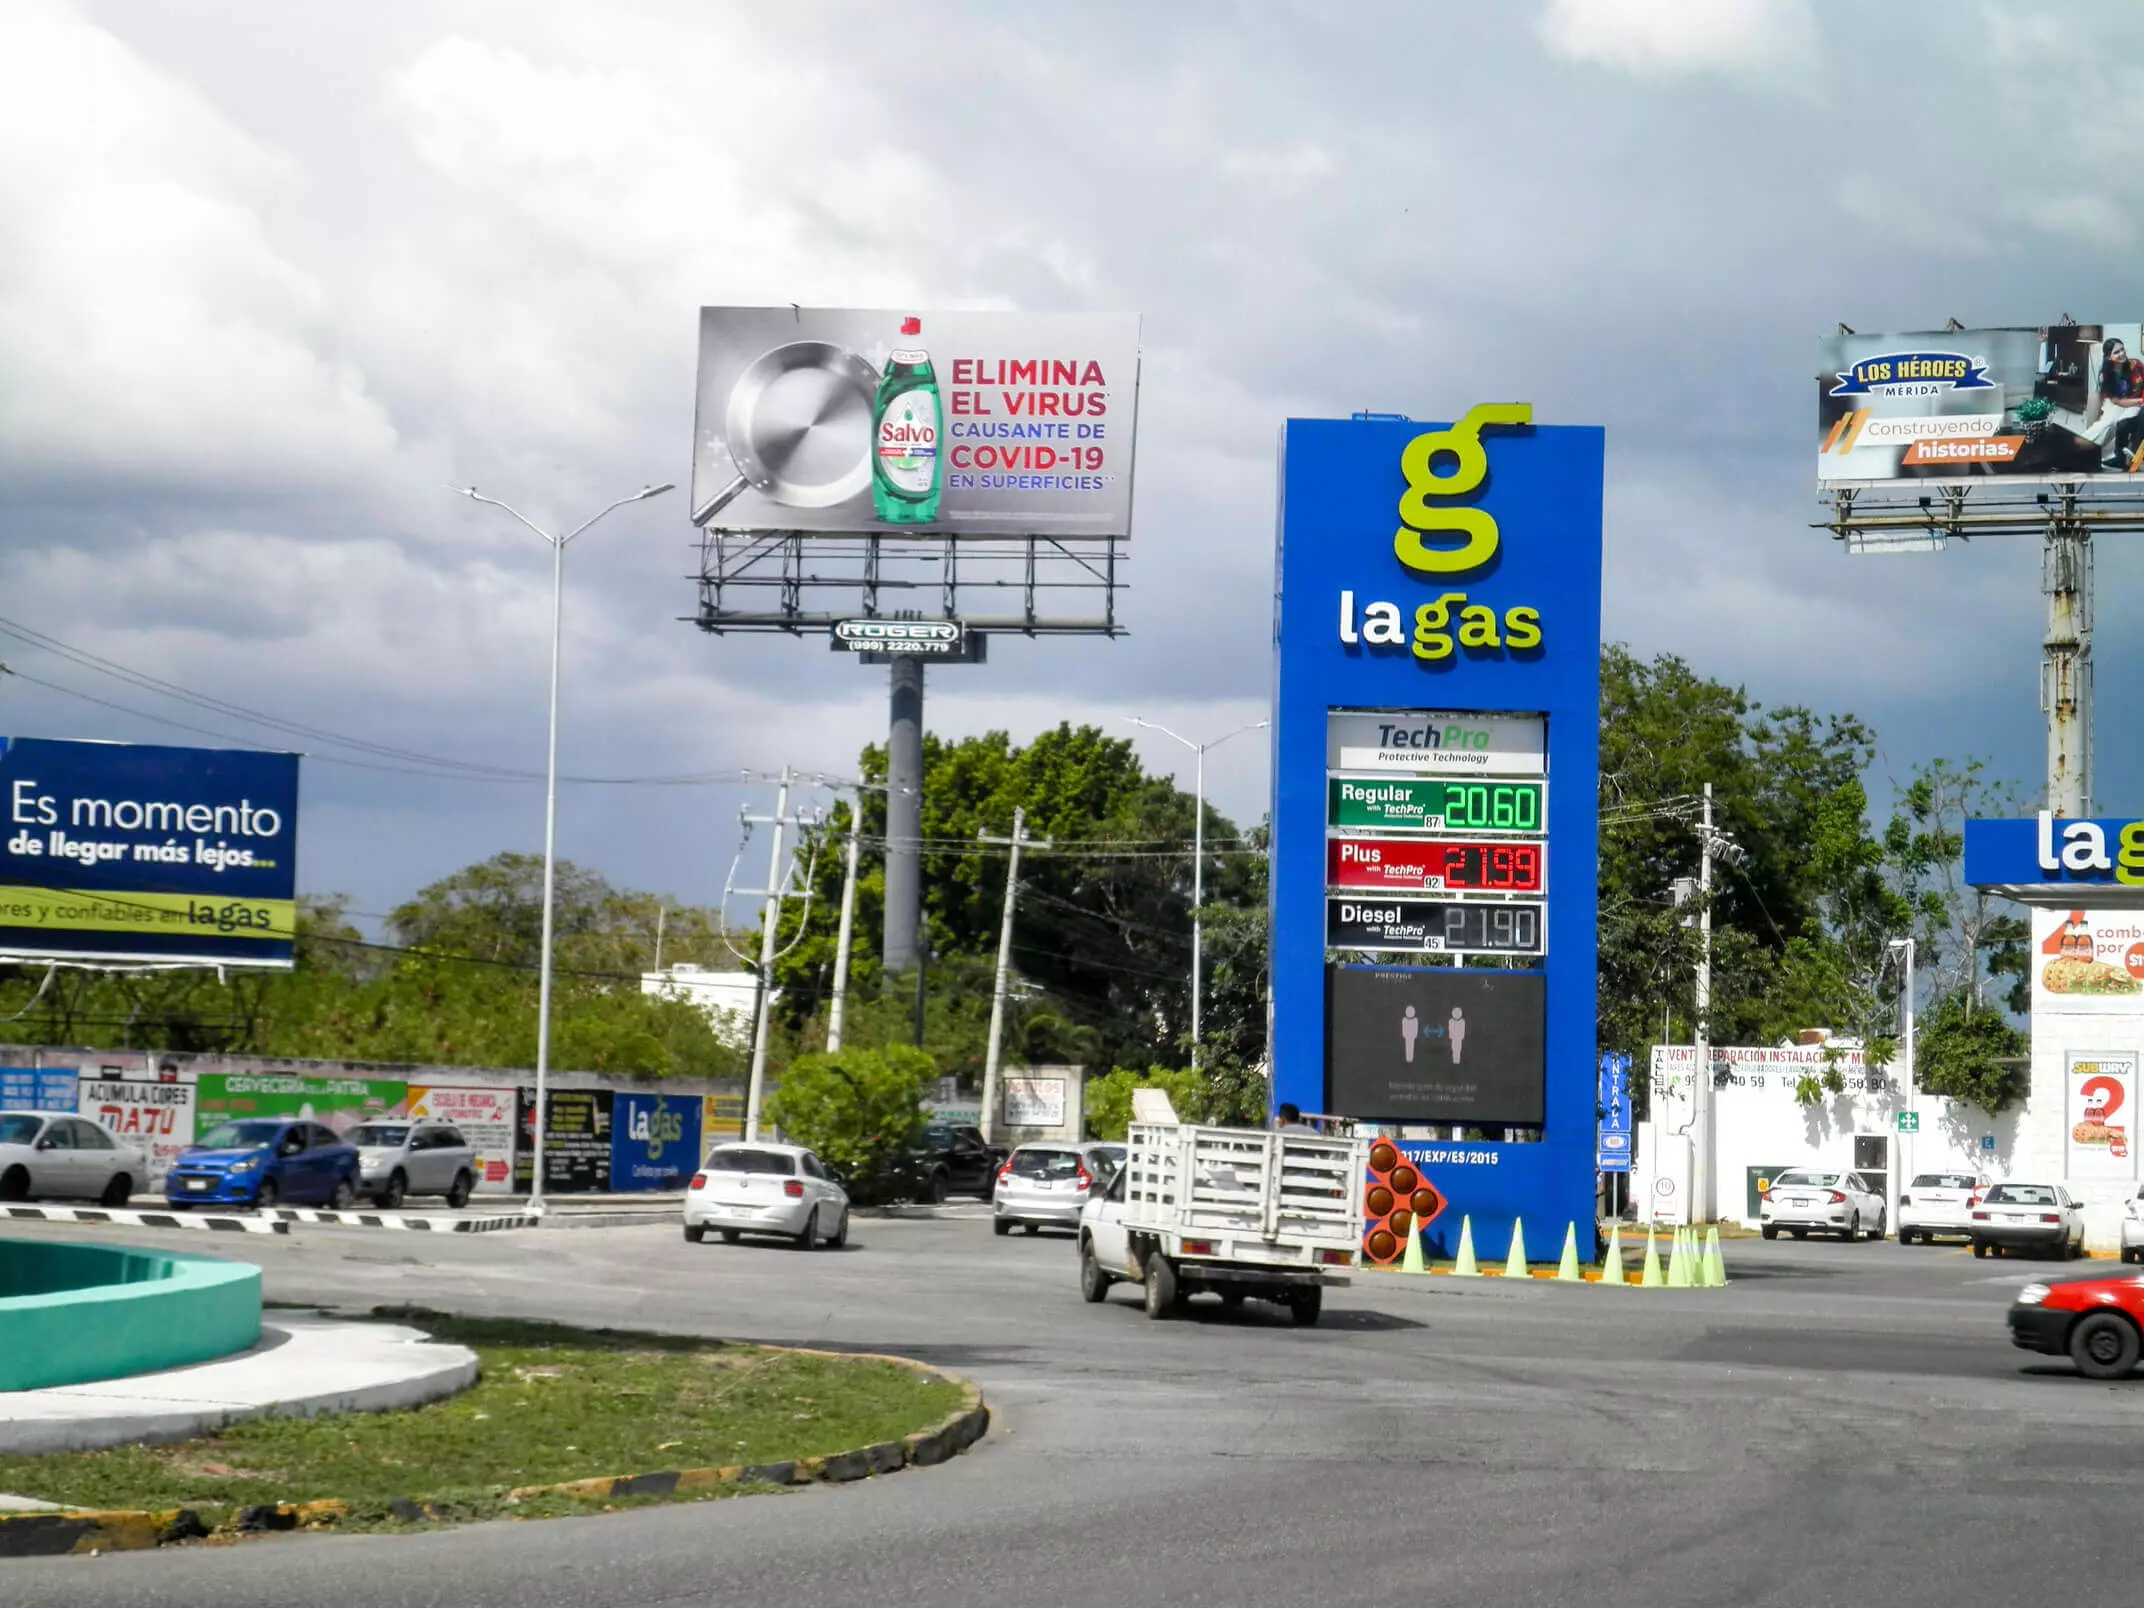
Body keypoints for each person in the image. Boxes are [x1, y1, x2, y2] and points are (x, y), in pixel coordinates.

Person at [2083, 338, 2144, 467]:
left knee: (2125, 421)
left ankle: (2120, 457)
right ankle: (2082, 447)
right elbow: (2117, 401)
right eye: (2116, 352)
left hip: (2137, 402)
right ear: (2109, 357)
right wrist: (2141, 401)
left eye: (2122, 349)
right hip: (2117, 403)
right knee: (2107, 424)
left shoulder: (2136, 365)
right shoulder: (2105, 376)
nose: (2121, 354)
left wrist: (2141, 400)